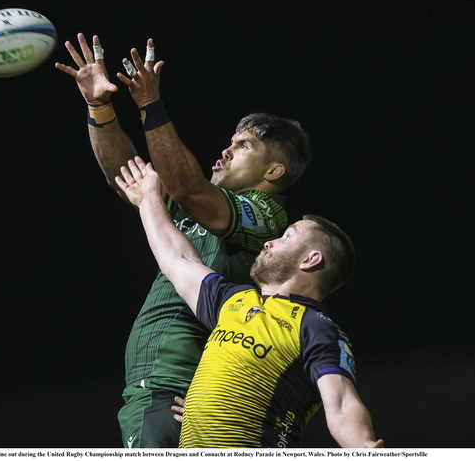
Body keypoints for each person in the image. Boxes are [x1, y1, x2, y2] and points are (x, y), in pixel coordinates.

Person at [55, 34, 312, 448]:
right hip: (154, 388)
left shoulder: (268, 215)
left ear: (275, 172)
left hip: (176, 386)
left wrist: (149, 106)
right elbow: (129, 176)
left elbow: (187, 189)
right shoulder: (192, 210)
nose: (226, 152)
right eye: (230, 141)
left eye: (243, 146)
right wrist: (99, 107)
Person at [116, 158, 384, 448]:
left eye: (287, 237)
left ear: (311, 259)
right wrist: (149, 198)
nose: (270, 242)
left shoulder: (318, 329)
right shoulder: (236, 302)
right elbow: (176, 259)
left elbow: (342, 404)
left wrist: (364, 446)